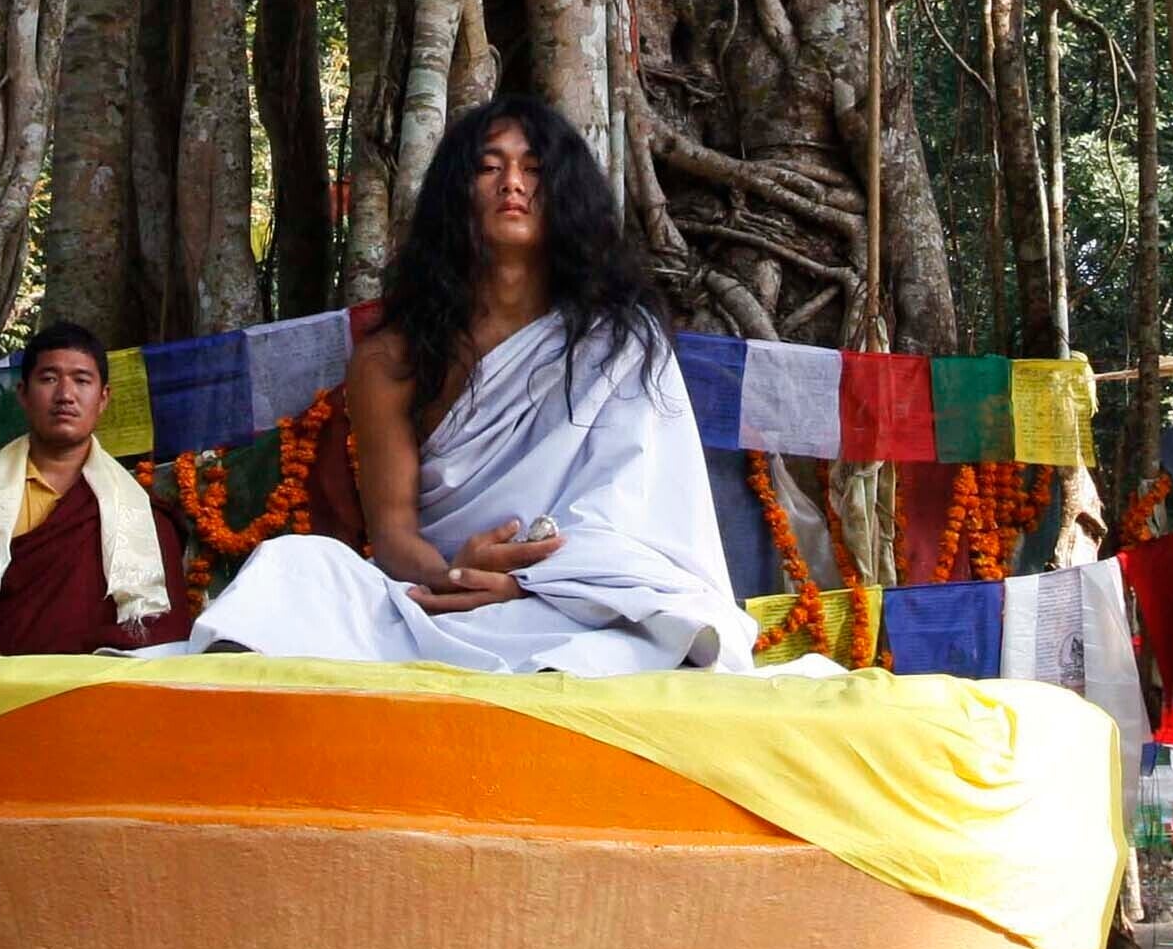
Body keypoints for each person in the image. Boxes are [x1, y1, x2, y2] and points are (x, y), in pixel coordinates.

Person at [158, 95, 756, 674]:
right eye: (489, 167)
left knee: (656, 620)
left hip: (573, 601)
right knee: (291, 567)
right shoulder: (390, 359)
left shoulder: (623, 343)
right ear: (456, 196)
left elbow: (631, 521)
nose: (512, 183)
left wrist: (525, 582)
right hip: (440, 595)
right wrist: (457, 577)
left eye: (534, 169)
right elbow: (393, 537)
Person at [0, 324, 194, 656]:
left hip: (108, 697)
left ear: (103, 397)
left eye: (82, 380)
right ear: (23, 393)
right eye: (49, 378)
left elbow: (160, 634)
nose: (65, 395)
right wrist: (9, 689)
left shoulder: (139, 513)